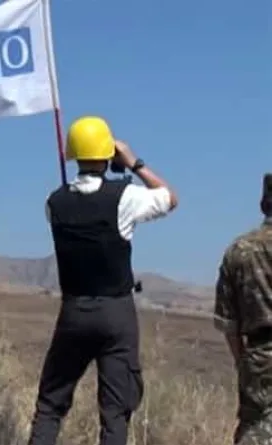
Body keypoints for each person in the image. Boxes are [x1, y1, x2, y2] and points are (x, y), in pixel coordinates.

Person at [26, 116, 178, 445]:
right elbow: (169, 198)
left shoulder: (53, 203)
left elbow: (73, 201)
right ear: (108, 154)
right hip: (116, 313)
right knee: (115, 412)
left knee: (50, 405)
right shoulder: (125, 197)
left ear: (72, 154)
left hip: (73, 312)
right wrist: (134, 162)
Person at [213, 173, 272, 445]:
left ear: (263, 204)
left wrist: (243, 362)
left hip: (259, 358)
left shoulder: (239, 251)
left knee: (255, 430)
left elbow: (229, 323)